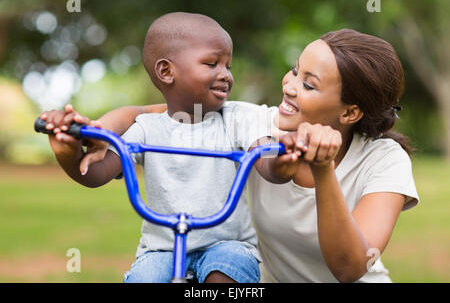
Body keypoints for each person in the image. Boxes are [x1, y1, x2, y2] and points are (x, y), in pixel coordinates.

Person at [44, 28, 419, 283]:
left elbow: (350, 267)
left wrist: (323, 171)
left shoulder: (384, 160)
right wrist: (93, 133)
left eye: (308, 84)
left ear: (349, 113)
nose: (288, 86)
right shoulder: (251, 121)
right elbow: (150, 113)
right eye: (294, 70)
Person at [39, 12, 300, 283]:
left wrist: (283, 160)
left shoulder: (236, 118)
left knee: (226, 272)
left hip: (227, 244)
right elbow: (95, 174)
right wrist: (67, 153)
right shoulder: (146, 128)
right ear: (166, 71)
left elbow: (268, 164)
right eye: (212, 63)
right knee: (144, 279)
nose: (225, 75)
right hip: (161, 249)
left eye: (228, 66)